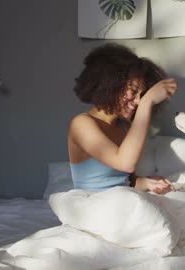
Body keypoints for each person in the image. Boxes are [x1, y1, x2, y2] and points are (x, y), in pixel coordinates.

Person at [68, 43, 177, 194]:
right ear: (109, 85)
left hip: (120, 201)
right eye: (133, 91)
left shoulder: (122, 127)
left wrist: (146, 182)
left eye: (142, 95)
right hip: (93, 205)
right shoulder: (82, 124)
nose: (138, 101)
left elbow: (125, 181)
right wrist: (148, 101)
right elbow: (126, 164)